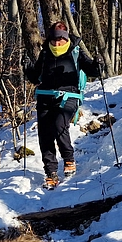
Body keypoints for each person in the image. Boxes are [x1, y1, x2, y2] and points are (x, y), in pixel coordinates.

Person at [23, 21, 103, 189]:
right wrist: (27, 67)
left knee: (59, 124)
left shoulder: (75, 51)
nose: (57, 43)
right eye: (54, 40)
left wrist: (97, 64)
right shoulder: (45, 53)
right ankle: (51, 172)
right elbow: (35, 77)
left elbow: (92, 71)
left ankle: (69, 159)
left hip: (70, 95)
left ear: (66, 38)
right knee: (45, 134)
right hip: (45, 96)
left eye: (60, 40)